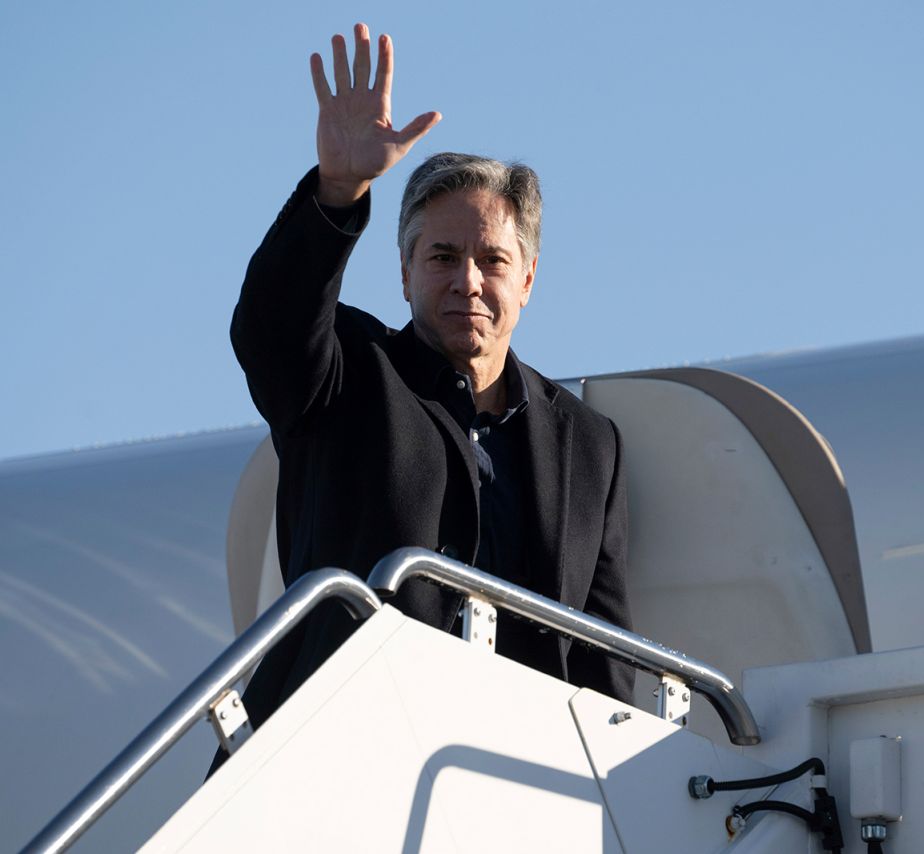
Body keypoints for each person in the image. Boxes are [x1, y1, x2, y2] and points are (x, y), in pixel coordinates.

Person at [219, 23, 632, 767]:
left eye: (491, 260)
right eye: (441, 257)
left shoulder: (588, 444)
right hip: (342, 757)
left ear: (528, 279)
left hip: (517, 780)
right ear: (405, 271)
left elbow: (605, 654)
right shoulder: (349, 373)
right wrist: (337, 193)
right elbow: (270, 328)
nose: (467, 281)